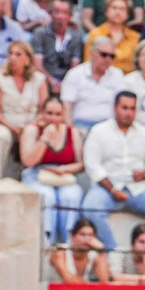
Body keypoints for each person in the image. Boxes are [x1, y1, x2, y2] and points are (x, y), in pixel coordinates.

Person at [80, 91, 145, 250]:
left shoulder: (144, 132)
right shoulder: (99, 131)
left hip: (139, 188)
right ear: (115, 108)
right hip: (106, 188)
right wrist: (112, 190)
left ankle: (141, 249)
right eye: (124, 108)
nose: (128, 113)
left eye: (132, 109)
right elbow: (92, 165)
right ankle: (113, 252)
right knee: (91, 207)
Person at [21, 97, 87, 243]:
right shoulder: (32, 130)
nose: (53, 118)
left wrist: (64, 169)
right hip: (37, 173)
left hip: (63, 175)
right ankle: (45, 240)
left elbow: (80, 164)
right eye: (49, 113)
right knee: (46, 196)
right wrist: (45, 138)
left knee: (72, 195)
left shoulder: (72, 132)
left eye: (58, 114)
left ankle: (68, 241)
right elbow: (28, 161)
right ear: (42, 113)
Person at [0, 41, 46, 179]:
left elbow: (43, 109)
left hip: (30, 123)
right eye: (11, 53)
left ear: (27, 59)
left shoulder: (38, 79)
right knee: (2, 136)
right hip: (3, 122)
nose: (13, 58)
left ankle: (29, 180)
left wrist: (30, 126)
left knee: (31, 133)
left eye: (18, 54)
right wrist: (11, 127)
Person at [61, 33, 129, 132]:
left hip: (109, 126)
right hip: (80, 126)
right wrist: (71, 131)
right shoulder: (75, 74)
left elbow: (123, 103)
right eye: (104, 55)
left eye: (112, 56)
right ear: (91, 53)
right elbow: (67, 106)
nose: (108, 59)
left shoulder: (117, 75)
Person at [32, 0, 83, 92]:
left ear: (70, 16)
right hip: (44, 81)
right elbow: (37, 65)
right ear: (50, 13)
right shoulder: (40, 33)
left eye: (65, 12)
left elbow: (75, 66)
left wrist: (64, 84)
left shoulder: (76, 36)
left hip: (69, 82)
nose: (60, 16)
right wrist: (52, 82)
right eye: (57, 12)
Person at [86, 0, 142, 74]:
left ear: (127, 14)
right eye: (114, 8)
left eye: (122, 9)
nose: (118, 12)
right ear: (106, 11)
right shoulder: (95, 34)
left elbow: (137, 66)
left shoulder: (135, 37)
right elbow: (87, 62)